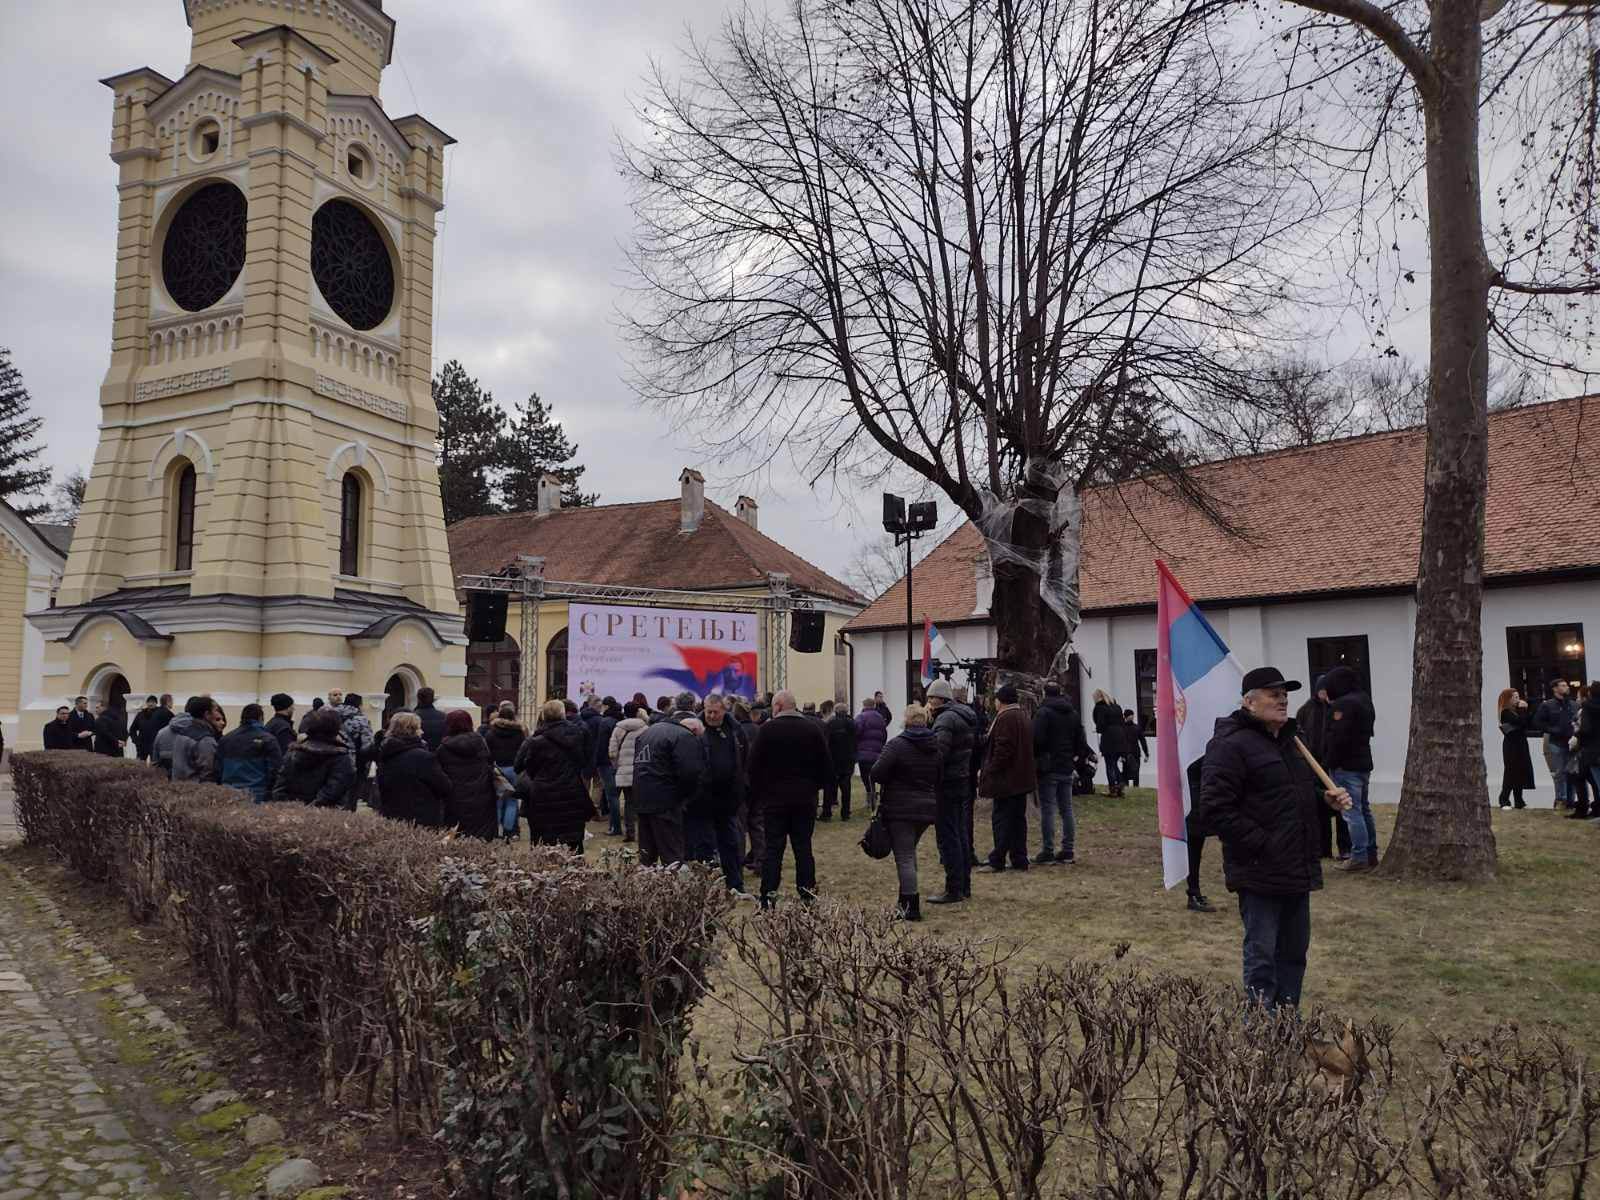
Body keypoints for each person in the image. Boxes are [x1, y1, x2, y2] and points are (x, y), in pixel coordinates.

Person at [1197, 666, 1351, 1012]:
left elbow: (1293, 799)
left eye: (1285, 694)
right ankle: (1261, 1037)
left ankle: (1285, 1027)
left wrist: (1322, 802)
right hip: (1259, 871)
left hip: (1296, 869)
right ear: (1250, 702)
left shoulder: (1292, 742)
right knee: (1263, 957)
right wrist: (1263, 843)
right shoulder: (1230, 745)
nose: (1282, 700)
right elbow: (1214, 809)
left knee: (1294, 956)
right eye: (1273, 694)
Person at [747, 690, 830, 907]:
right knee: (803, 848)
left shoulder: (767, 731)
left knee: (773, 849)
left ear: (778, 706)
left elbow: (753, 767)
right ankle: (807, 894)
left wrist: (762, 792)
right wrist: (813, 787)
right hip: (805, 799)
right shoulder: (812, 729)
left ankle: (768, 896)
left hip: (774, 801)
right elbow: (826, 766)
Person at [871, 702, 944, 920]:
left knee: (904, 857)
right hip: (926, 807)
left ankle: (911, 907)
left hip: (900, 808)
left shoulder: (896, 745)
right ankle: (904, 901)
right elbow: (939, 776)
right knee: (908, 854)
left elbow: (876, 773)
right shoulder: (935, 746)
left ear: (906, 720)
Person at [630, 692, 705, 865]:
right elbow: (690, 774)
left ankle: (643, 890)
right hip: (666, 802)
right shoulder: (683, 736)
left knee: (646, 857)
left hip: (643, 799)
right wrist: (684, 798)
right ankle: (673, 891)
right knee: (672, 857)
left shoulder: (648, 732)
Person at [514, 699, 596, 852]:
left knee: (543, 842)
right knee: (573, 842)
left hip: (543, 795)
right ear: (563, 714)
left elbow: (523, 766)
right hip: (572, 792)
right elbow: (584, 761)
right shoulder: (577, 734)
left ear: (543, 716)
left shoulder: (535, 741)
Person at [925, 678, 978, 904]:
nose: (928, 702)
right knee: (960, 834)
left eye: (930, 698)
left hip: (946, 783)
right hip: (961, 779)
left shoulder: (945, 720)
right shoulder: (964, 717)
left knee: (948, 837)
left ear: (940, 699)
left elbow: (938, 754)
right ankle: (964, 885)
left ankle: (953, 887)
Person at [692, 694, 750, 895]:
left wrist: (742, 786)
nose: (712, 715)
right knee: (704, 845)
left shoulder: (734, 729)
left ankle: (735, 883)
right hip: (703, 798)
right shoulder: (695, 728)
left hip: (728, 798)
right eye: (709, 711)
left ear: (724, 710)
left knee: (730, 843)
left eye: (716, 711)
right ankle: (705, 886)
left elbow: (744, 757)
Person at [1322, 665, 1378, 870]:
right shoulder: (1364, 700)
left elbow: (1338, 738)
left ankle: (1359, 856)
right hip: (1363, 763)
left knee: (1351, 811)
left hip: (1345, 765)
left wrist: (1328, 762)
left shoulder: (1343, 705)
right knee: (1363, 809)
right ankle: (1370, 853)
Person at [977, 684, 1036, 873]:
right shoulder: (1023, 715)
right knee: (1018, 821)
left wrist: (989, 770)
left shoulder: (1006, 718)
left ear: (1000, 700)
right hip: (1021, 778)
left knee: (1002, 820)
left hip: (1007, 780)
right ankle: (1019, 858)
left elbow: (1004, 750)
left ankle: (998, 860)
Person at [1032, 680, 1090, 865]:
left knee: (1048, 809)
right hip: (1066, 766)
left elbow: (1036, 739)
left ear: (1045, 693)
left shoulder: (1043, 713)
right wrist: (1074, 758)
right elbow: (1081, 740)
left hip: (1048, 766)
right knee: (1067, 809)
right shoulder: (1072, 713)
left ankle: (1048, 849)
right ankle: (1068, 848)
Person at [1295, 678, 1351, 861]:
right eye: (1321, 689)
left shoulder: (1336, 709)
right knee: (1320, 809)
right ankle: (1323, 849)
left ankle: (1345, 848)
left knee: (1341, 809)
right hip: (1314, 765)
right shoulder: (1305, 710)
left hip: (1334, 765)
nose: (1324, 693)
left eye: (1327, 690)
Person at [375, 711, 452, 828]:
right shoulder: (423, 758)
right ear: (412, 730)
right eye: (419, 728)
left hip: (392, 818)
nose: (422, 732)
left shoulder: (386, 753)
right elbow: (444, 786)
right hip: (421, 819)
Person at [437, 709, 500, 840]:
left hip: (456, 798)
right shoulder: (480, 742)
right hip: (483, 796)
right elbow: (489, 764)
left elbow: (440, 775)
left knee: (458, 837)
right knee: (482, 837)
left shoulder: (443, 748)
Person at [271, 709, 355, 806]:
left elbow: (280, 787)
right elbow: (333, 791)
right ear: (336, 729)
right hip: (327, 816)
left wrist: (287, 809)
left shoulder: (293, 752)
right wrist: (310, 809)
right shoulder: (341, 757)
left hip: (290, 814)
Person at [217, 704, 284, 803]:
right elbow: (275, 770)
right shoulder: (268, 740)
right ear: (261, 718)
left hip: (228, 795)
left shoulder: (225, 739)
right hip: (257, 797)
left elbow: (217, 769)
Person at [1533, 679, 1579, 813]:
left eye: (1566, 685)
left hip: (1573, 744)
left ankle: (1571, 800)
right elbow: (1537, 722)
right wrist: (1552, 729)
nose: (1566, 687)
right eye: (1563, 686)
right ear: (1555, 688)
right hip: (1556, 743)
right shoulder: (1547, 705)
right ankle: (1561, 800)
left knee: (1573, 772)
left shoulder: (1573, 705)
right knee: (1560, 773)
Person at [483, 702, 527, 839]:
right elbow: (523, 752)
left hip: (498, 769)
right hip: (514, 769)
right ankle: (509, 831)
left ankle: (497, 830)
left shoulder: (491, 733)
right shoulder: (519, 733)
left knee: (498, 801)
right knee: (512, 801)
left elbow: (487, 753)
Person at [608, 702, 649, 843]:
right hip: (641, 771)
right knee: (642, 803)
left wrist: (617, 766)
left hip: (624, 770)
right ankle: (644, 833)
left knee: (628, 803)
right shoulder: (645, 728)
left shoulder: (619, 728)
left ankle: (630, 832)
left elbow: (612, 752)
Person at [1496, 688, 1535, 810]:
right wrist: (1523, 710)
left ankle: (1519, 801)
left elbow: (1527, 722)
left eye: (1518, 697)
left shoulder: (1517, 711)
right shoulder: (1506, 712)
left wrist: (1526, 710)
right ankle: (1504, 800)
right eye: (1515, 697)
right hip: (1512, 745)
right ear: (1508, 699)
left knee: (1520, 770)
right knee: (1511, 771)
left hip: (1521, 743)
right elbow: (1521, 722)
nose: (1518, 699)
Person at [333, 693, 376, 806]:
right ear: (359, 705)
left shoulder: (330, 716)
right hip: (354, 763)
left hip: (331, 760)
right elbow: (367, 745)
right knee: (350, 798)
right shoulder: (361, 720)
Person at [169, 696, 224, 782]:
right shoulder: (205, 740)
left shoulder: (181, 734)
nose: (219, 714)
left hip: (178, 789)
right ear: (207, 714)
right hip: (197, 792)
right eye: (216, 710)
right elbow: (209, 775)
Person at [822, 700, 858, 821]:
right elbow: (856, 740)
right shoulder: (852, 723)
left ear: (835, 712)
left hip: (833, 759)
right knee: (846, 787)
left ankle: (826, 813)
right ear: (846, 711)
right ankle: (845, 813)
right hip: (848, 759)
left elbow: (826, 742)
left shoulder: (830, 724)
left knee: (829, 787)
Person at [854, 696, 888, 812]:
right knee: (874, 774)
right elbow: (884, 734)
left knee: (865, 775)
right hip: (877, 752)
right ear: (873, 706)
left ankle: (870, 795)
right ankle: (873, 793)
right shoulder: (880, 718)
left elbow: (856, 732)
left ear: (864, 706)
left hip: (863, 752)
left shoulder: (860, 717)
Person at [1573, 682, 1600, 819]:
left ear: (1589, 694)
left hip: (1592, 750)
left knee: (1596, 781)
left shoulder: (1587, 707)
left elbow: (1586, 729)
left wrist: (1577, 737)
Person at [1091, 690, 1122, 796]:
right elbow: (1121, 721)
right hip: (1120, 737)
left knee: (1109, 764)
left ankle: (1112, 789)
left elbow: (1100, 723)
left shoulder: (1100, 708)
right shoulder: (1116, 706)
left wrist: (1098, 729)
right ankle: (1120, 786)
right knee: (1115, 763)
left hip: (1108, 737)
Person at [129, 696, 170, 763]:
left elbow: (168, 727)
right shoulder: (140, 714)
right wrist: (136, 741)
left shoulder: (162, 713)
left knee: (155, 767)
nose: (150, 704)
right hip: (141, 746)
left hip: (155, 746)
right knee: (139, 766)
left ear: (156, 703)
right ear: (146, 703)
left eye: (153, 702)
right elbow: (132, 729)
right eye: (149, 702)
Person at [1119, 710, 1150, 788]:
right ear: (1126, 716)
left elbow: (1143, 741)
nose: (1132, 717)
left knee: (1135, 772)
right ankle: (1126, 787)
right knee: (1126, 772)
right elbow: (1119, 742)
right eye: (1130, 715)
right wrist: (1120, 754)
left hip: (1135, 753)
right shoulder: (1122, 728)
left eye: (1132, 715)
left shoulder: (1136, 727)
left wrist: (1146, 753)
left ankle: (1136, 787)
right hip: (1126, 753)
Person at [412, 687, 448, 752]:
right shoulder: (443, 716)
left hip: (419, 754)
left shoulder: (411, 717)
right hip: (438, 754)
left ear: (418, 699)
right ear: (433, 699)